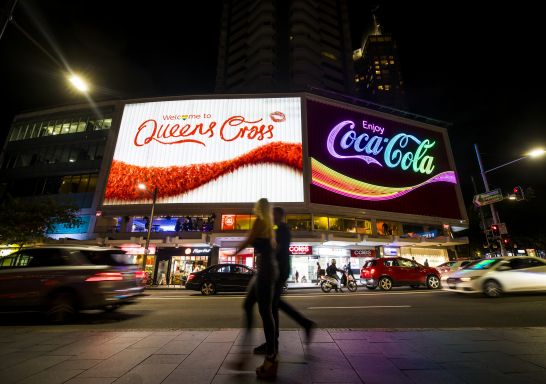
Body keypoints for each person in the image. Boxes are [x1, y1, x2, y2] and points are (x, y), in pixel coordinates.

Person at [231, 198, 279, 379]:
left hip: (265, 271)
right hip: (264, 270)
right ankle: (245, 354)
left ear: (259, 208)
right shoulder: (268, 224)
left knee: (264, 312)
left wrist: (233, 253)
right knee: (249, 305)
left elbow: (248, 240)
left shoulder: (260, 221)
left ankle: (271, 355)